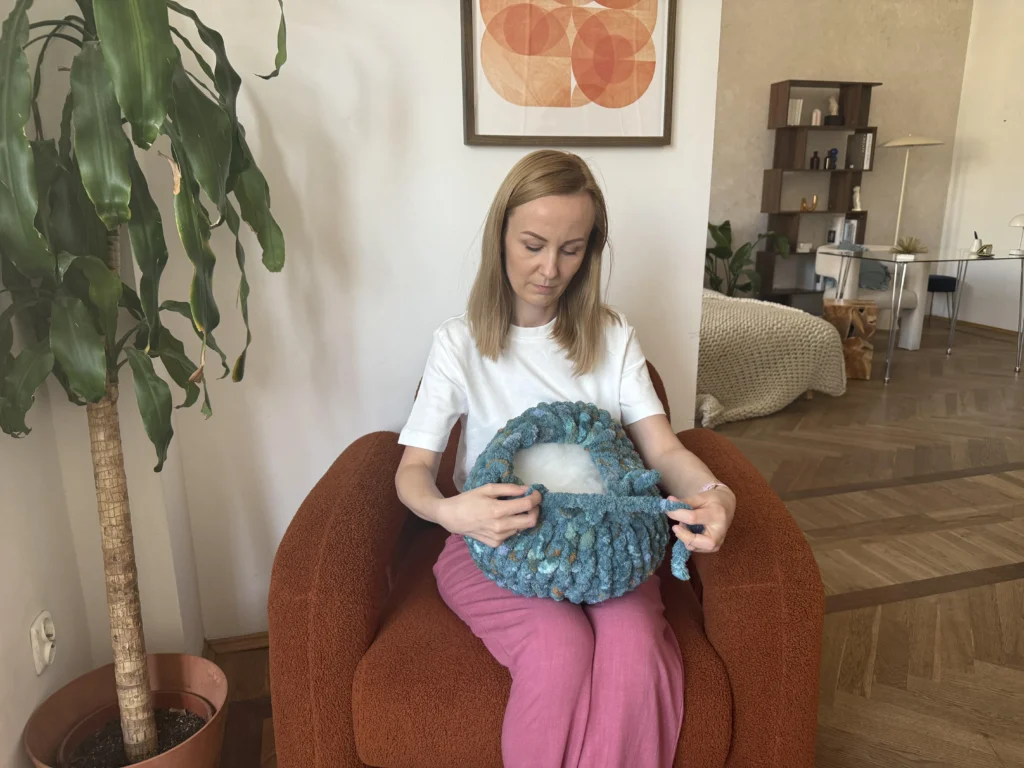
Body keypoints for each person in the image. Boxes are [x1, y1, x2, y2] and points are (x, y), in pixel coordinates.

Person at [394, 150, 736, 768]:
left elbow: (662, 448)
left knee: (635, 646)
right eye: (533, 245)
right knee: (558, 649)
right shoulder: (458, 343)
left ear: (590, 251)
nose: (550, 269)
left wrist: (715, 493)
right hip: (495, 545)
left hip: (607, 547)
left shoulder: (613, 336)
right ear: (500, 235)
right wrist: (452, 512)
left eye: (572, 249)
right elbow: (412, 472)